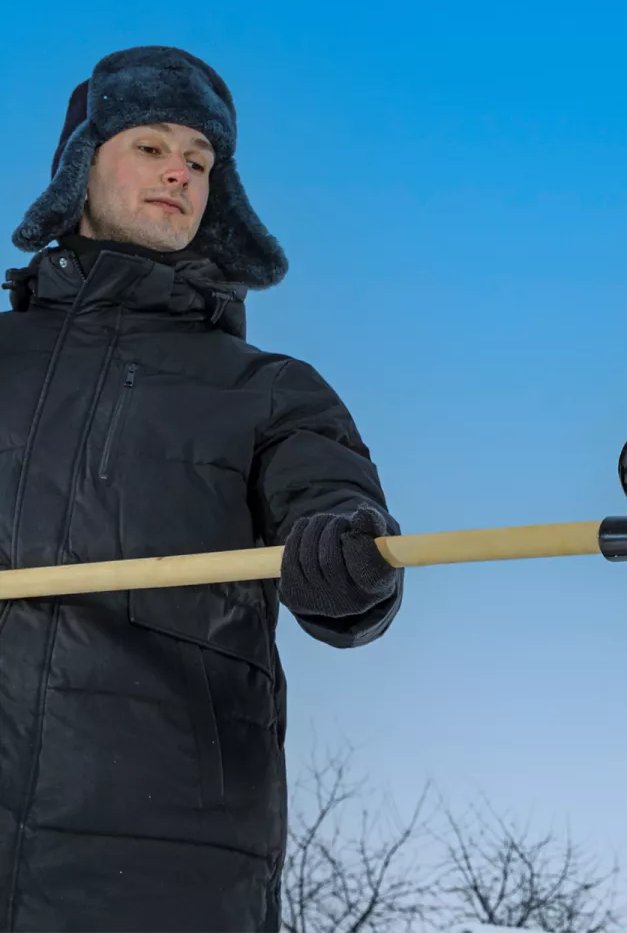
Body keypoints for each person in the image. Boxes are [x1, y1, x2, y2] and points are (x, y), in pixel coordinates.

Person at [0, 46, 404, 931]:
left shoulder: (269, 389)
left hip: (162, 861)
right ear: (81, 167)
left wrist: (348, 557)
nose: (179, 171)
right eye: (151, 146)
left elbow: (339, 518)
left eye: (201, 159)